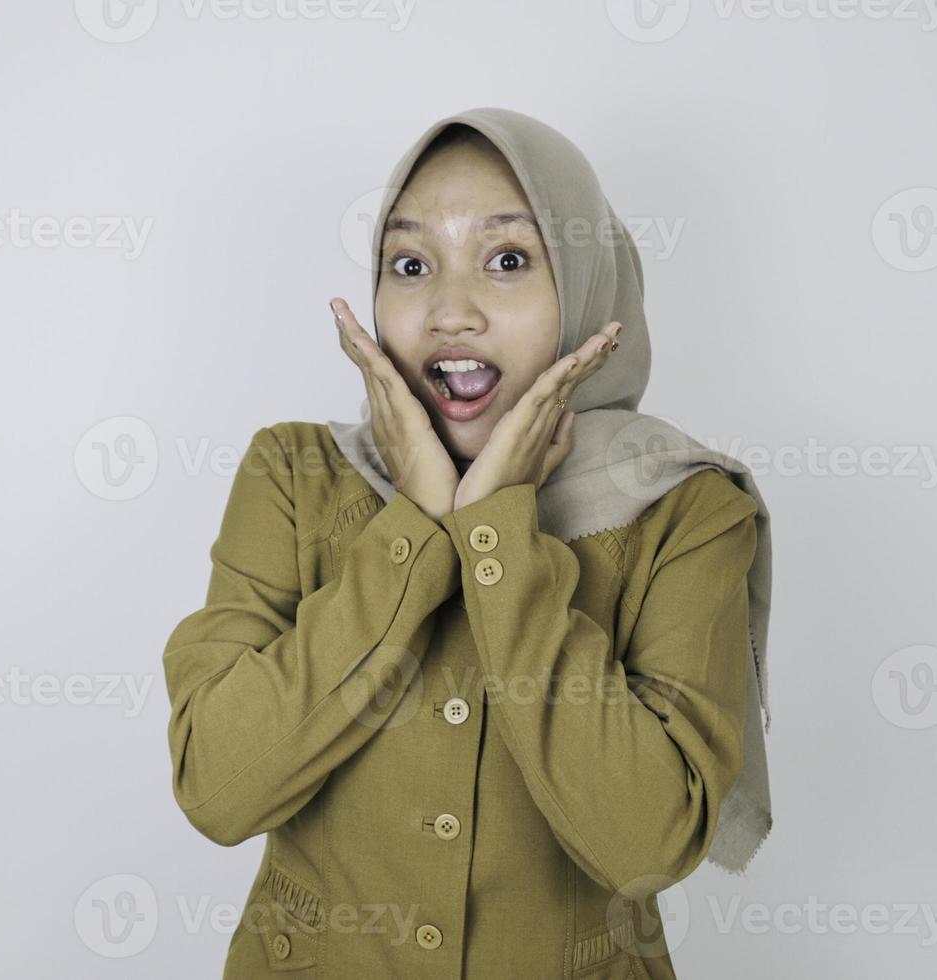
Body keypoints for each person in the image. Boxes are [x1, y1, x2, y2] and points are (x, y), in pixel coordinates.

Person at [163, 106, 775, 979]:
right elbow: (219, 790)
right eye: (410, 265)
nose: (451, 312)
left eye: (509, 261)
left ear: (588, 286)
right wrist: (416, 521)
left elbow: (648, 843)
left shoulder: (688, 508)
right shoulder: (292, 474)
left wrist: (493, 533)